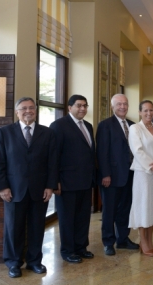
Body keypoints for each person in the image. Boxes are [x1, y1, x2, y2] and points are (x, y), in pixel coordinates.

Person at [0, 97, 58, 278]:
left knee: (37, 227)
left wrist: (50, 186)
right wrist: (3, 187)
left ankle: (34, 262)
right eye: (23, 108)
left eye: (31, 108)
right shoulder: (5, 132)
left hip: (40, 190)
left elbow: (52, 162)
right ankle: (13, 263)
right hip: (13, 190)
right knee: (14, 228)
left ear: (36, 111)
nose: (28, 111)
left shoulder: (47, 133)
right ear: (17, 112)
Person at [50, 94, 96, 264]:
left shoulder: (88, 126)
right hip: (66, 182)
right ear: (69, 108)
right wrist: (55, 182)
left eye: (85, 105)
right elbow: (54, 156)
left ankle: (81, 247)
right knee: (68, 218)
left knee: (83, 217)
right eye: (78, 105)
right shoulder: (58, 126)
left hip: (85, 180)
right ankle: (68, 250)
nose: (82, 108)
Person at [96, 94, 139, 256]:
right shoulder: (105, 125)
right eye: (119, 104)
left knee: (125, 209)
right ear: (112, 107)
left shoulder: (133, 126)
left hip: (131, 175)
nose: (123, 107)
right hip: (111, 177)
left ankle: (123, 239)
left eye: (125, 104)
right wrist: (105, 174)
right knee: (109, 211)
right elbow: (101, 152)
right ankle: (108, 242)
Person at [128, 100, 153, 257]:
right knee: (143, 207)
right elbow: (137, 150)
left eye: (151, 110)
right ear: (140, 112)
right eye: (145, 110)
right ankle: (143, 242)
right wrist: (152, 166)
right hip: (143, 173)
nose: (148, 113)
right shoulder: (135, 128)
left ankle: (150, 242)